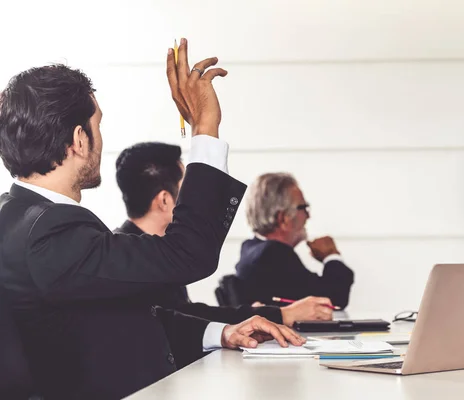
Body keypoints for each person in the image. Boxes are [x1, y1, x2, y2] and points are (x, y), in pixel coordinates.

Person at [0, 39, 303, 400]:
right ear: (80, 139)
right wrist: (205, 128)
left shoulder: (19, 216)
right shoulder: (49, 232)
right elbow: (188, 253)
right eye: (97, 126)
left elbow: (114, 321)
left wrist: (221, 332)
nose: (100, 138)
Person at [114, 141, 335, 327]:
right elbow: (182, 319)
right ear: (164, 200)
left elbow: (187, 313)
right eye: (188, 189)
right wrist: (282, 315)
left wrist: (253, 313)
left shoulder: (147, 249)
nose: (196, 199)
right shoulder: (132, 259)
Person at [235, 173, 354, 308]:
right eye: (303, 207)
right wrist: (331, 255)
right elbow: (334, 299)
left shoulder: (250, 247)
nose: (308, 215)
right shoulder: (274, 253)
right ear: (283, 218)